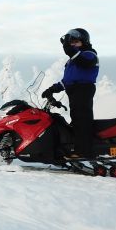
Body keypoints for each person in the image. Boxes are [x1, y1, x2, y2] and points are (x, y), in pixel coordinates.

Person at [41, 28, 99, 159]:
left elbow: (85, 63)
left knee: (82, 119)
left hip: (83, 89)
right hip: (74, 90)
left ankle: (84, 152)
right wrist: (52, 89)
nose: (72, 44)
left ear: (84, 42)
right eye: (70, 42)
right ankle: (75, 147)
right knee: (75, 119)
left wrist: (69, 49)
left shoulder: (90, 54)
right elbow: (67, 80)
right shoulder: (73, 59)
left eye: (75, 42)